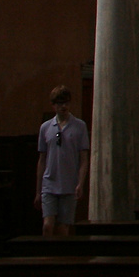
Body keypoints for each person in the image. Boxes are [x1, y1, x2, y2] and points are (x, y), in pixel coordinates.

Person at [35, 85, 89, 236]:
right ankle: (46, 256)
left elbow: (84, 159)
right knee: (47, 225)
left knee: (63, 229)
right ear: (54, 106)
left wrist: (80, 183)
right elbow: (42, 160)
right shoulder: (45, 128)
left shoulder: (79, 126)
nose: (63, 106)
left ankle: (58, 258)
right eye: (59, 103)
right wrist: (38, 190)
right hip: (49, 182)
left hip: (69, 183)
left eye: (66, 103)